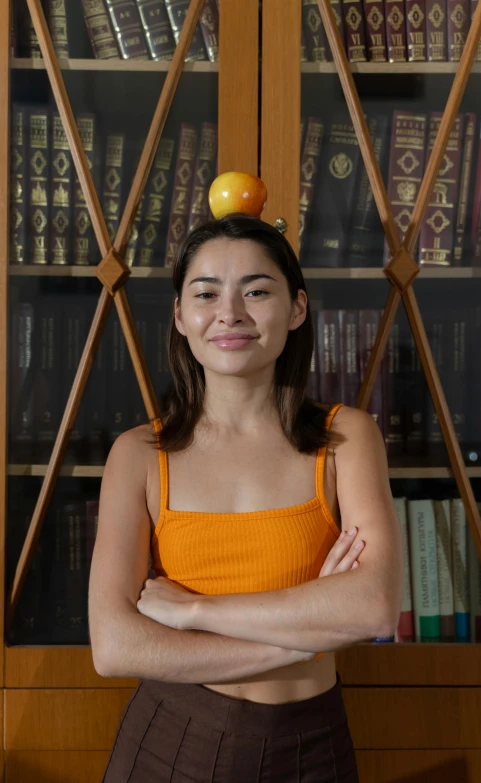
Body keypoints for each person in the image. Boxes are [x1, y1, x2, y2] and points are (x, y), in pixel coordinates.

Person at [89, 212, 403, 782]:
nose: (230, 313)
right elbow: (115, 647)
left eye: (257, 291)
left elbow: (373, 607)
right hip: (172, 741)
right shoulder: (137, 455)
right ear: (181, 316)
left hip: (314, 745)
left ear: (297, 308)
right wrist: (302, 640)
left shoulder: (347, 438)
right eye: (206, 293)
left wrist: (196, 611)